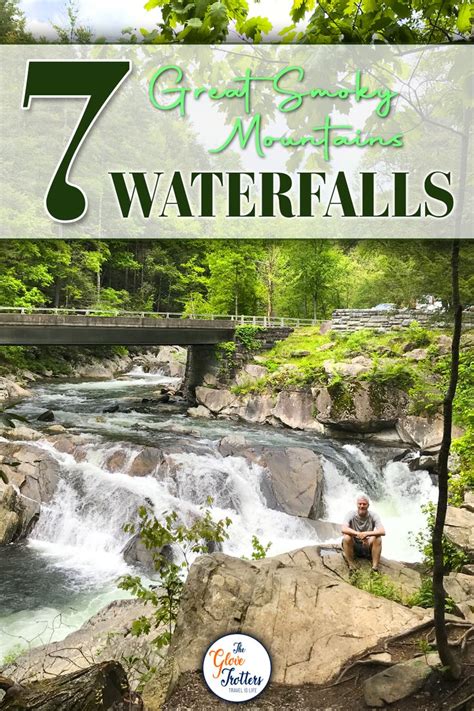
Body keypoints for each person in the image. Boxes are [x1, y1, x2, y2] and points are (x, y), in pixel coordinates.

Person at [341, 494, 385, 573]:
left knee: (378, 538)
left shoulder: (373, 515)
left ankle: (374, 568)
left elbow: (382, 531)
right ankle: (352, 566)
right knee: (346, 537)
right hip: (354, 545)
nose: (362, 506)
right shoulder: (351, 514)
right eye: (360, 504)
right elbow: (343, 528)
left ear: (368, 505)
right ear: (357, 504)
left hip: (367, 545)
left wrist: (366, 534)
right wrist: (358, 534)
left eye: (364, 504)